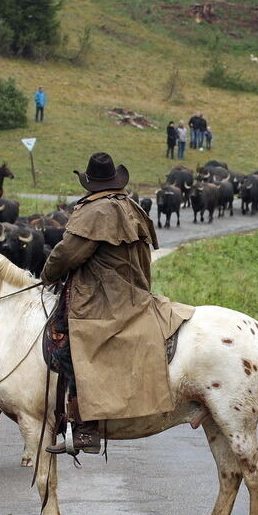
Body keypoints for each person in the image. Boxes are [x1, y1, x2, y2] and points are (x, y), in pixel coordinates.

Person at [40, 152, 193, 455]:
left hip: (105, 297)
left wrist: (47, 274)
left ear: (90, 182)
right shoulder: (129, 205)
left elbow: (68, 253)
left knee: (67, 345)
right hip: (134, 291)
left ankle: (85, 426)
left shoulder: (96, 212)